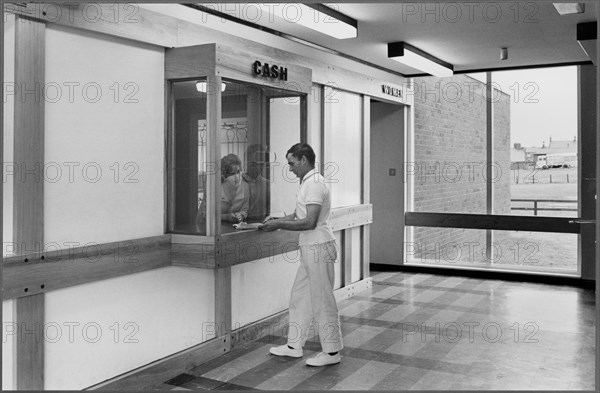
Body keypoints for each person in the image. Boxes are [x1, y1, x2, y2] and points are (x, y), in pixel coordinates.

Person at [259, 143, 343, 367]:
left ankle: (332, 352)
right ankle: (294, 346)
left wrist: (279, 226)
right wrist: (277, 220)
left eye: (292, 163)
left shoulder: (315, 184)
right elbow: (298, 214)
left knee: (322, 299)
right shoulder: (308, 182)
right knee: (300, 296)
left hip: (318, 247)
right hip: (310, 248)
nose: (290, 168)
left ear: (304, 160)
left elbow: (310, 221)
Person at [196, 154, 249, 231]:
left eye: (238, 172)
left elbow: (245, 209)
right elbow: (205, 214)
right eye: (232, 174)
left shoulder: (245, 186)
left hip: (232, 230)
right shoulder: (214, 187)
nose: (236, 177)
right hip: (208, 229)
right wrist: (226, 217)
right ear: (224, 174)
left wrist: (241, 215)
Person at [242, 144, 269, 222]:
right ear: (246, 162)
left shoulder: (267, 184)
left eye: (261, 164)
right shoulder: (235, 183)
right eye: (253, 164)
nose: (258, 167)